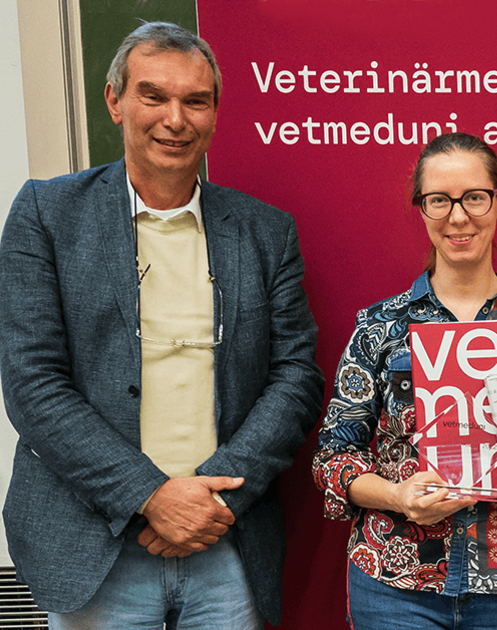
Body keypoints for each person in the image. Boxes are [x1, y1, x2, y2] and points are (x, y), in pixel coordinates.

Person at [0, 22, 324, 629]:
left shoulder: (265, 231)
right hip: (95, 545)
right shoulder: (47, 215)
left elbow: (295, 377)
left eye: (195, 101)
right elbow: (32, 383)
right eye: (154, 95)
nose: (175, 118)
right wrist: (150, 495)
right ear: (115, 100)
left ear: (214, 113)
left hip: (226, 544)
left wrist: (210, 501)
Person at [312, 132, 497, 629]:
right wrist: (397, 496)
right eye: (439, 201)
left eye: (475, 197)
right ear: (422, 209)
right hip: (397, 586)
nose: (458, 217)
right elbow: (333, 458)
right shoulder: (379, 327)